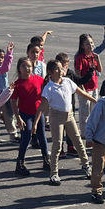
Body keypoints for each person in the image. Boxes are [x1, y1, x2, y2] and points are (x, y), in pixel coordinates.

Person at [34, 59, 91, 187]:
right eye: (56, 69)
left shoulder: (67, 82)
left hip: (69, 115)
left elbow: (81, 93)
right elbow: (42, 106)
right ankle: (54, 173)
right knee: (57, 145)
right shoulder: (49, 87)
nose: (60, 71)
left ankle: (86, 166)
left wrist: (95, 101)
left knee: (78, 141)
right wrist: (35, 123)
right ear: (50, 72)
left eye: (61, 68)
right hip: (56, 117)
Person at [12, 57, 49, 176]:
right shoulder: (17, 84)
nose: (27, 68)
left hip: (38, 113)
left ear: (33, 68)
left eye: (29, 66)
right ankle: (20, 163)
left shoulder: (39, 79)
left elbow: (48, 86)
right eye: (24, 66)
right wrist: (18, 118)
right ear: (19, 68)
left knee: (42, 136)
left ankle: (46, 160)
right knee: (26, 135)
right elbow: (13, 103)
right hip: (25, 114)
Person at [73, 30, 105, 140]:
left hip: (94, 87)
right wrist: (82, 88)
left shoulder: (94, 56)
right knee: (84, 112)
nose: (91, 45)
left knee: (94, 112)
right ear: (82, 46)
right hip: (85, 88)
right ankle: (84, 133)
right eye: (88, 44)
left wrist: (98, 59)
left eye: (92, 43)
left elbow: (100, 70)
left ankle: (92, 131)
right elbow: (78, 73)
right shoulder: (80, 57)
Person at [0, 46, 20, 145]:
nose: (1, 59)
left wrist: (9, 53)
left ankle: (13, 134)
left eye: (2, 57)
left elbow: (8, 63)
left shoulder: (4, 67)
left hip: (5, 92)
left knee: (9, 114)